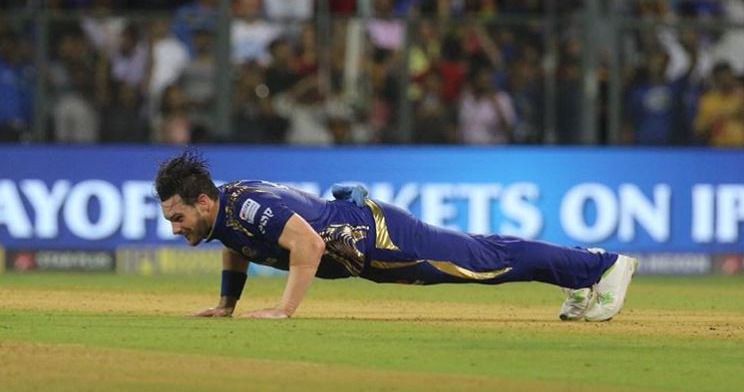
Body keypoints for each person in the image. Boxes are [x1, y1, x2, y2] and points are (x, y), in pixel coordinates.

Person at [155, 150, 638, 321]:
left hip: (383, 239)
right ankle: (578, 277)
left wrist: (284, 309)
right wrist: (227, 304)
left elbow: (310, 245)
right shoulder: (227, 213)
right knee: (489, 257)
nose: (176, 229)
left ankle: (602, 266)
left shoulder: (247, 206)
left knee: (487, 260)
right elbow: (235, 246)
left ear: (203, 202)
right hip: (371, 247)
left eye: (178, 217)